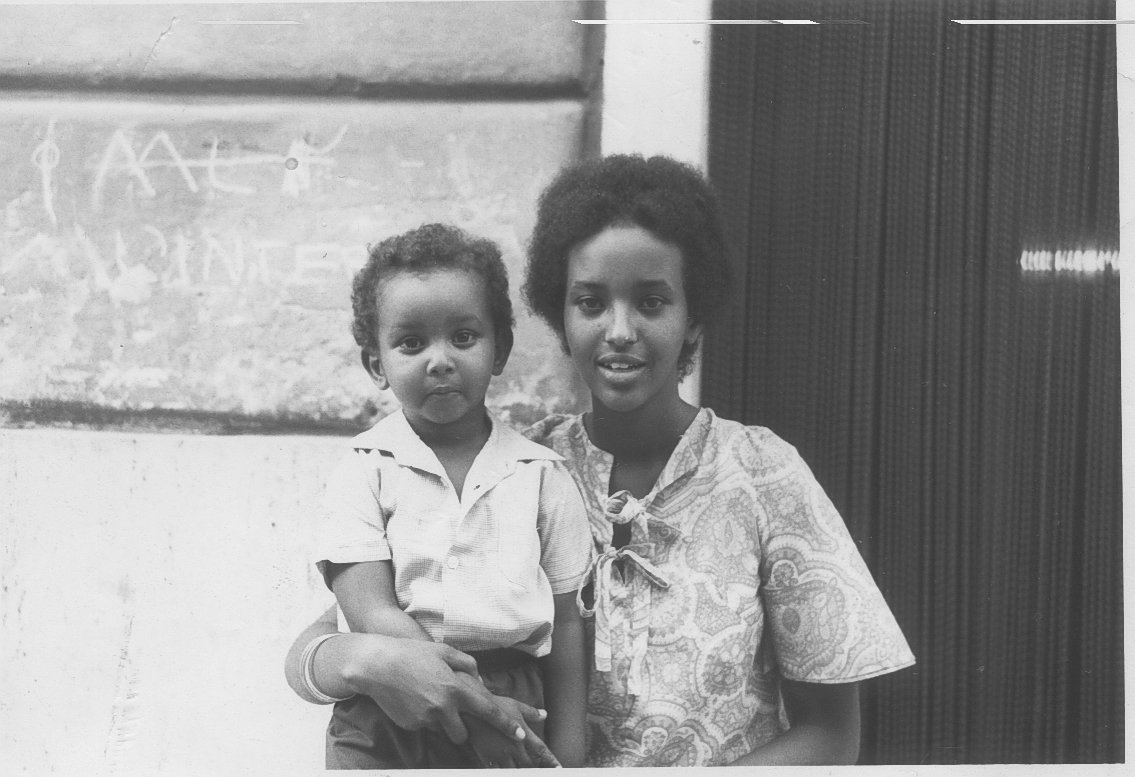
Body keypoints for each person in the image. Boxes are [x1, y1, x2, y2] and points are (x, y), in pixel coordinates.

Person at [287, 155, 916, 767]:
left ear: (693, 316)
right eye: (590, 302)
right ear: (561, 315)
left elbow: (832, 736)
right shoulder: (514, 469)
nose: (618, 329)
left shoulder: (763, 474)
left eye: (651, 301)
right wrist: (368, 662)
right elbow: (321, 643)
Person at [309, 223, 593, 768]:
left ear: (500, 349)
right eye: (411, 343)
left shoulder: (539, 475)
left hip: (512, 705)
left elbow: (568, 622)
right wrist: (462, 692)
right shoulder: (364, 471)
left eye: (463, 337)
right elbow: (368, 609)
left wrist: (571, 751)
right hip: (389, 703)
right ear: (377, 364)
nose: (439, 360)